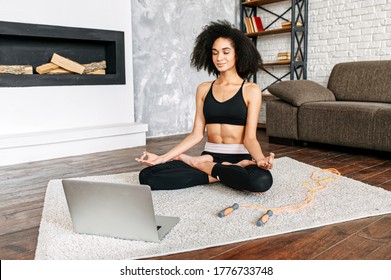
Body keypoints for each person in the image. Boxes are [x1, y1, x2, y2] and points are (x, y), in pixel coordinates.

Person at [136, 20, 274, 192]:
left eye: (225, 52)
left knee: (261, 181)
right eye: (215, 53)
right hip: (210, 155)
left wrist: (259, 159)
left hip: (240, 156)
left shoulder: (251, 90)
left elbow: (250, 138)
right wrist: (163, 158)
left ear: (237, 54)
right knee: (147, 176)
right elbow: (196, 134)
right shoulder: (203, 89)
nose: (219, 58)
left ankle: (200, 165)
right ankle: (225, 171)